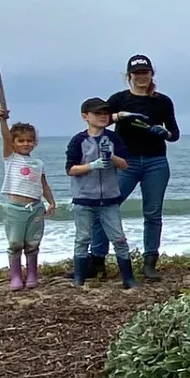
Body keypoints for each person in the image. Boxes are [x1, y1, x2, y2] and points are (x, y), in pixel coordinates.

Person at [92, 55, 179, 280]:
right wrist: (118, 115)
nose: (142, 77)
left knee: (152, 214)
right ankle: (97, 261)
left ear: (152, 74)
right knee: (106, 207)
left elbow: (174, 134)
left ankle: (150, 263)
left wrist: (165, 133)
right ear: (129, 76)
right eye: (137, 73)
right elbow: (97, 120)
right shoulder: (119, 99)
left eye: (145, 72)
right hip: (125, 162)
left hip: (156, 162)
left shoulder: (163, 101)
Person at [66, 98, 136, 288]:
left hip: (110, 199)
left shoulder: (113, 138)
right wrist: (91, 165)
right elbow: (70, 169)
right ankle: (79, 279)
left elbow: (125, 165)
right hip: (84, 199)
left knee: (119, 239)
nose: (103, 117)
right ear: (85, 117)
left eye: (105, 113)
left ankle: (128, 280)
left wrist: (111, 156)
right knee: (82, 239)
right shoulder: (79, 140)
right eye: (97, 114)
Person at [0, 106, 56, 291]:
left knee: (32, 242)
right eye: (20, 141)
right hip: (15, 208)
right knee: (15, 243)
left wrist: (51, 201)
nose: (25, 144)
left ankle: (31, 274)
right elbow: (5, 138)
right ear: (13, 143)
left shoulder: (38, 163)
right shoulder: (11, 158)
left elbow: (43, 184)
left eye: (29, 140)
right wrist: (2, 121)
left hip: (35, 207)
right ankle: (15, 276)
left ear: (35, 143)